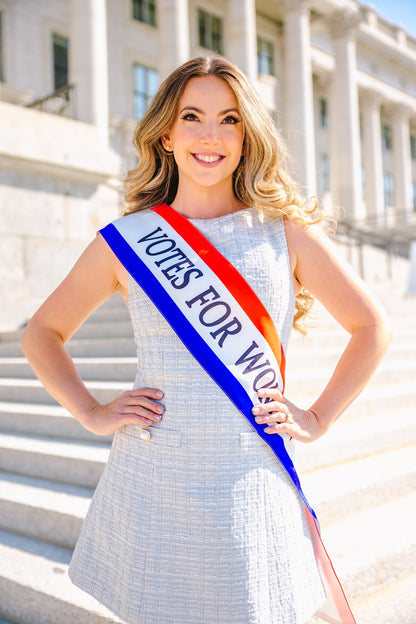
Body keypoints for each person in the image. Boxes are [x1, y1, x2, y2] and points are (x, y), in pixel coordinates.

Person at [21, 56, 392, 624]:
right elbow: (43, 333)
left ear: (249, 136)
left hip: (250, 483)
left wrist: (317, 418)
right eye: (192, 117)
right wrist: (92, 412)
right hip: (156, 481)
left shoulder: (283, 232)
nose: (210, 136)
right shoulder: (128, 241)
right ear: (166, 134)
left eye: (230, 119)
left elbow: (372, 328)